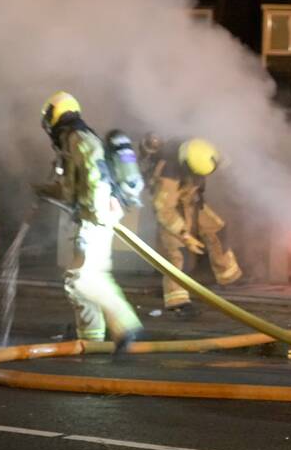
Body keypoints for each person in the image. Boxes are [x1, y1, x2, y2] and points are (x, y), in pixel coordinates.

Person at [35, 91, 143, 352]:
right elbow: (73, 188)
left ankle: (126, 323)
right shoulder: (70, 139)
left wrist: (96, 210)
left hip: (95, 217)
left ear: (53, 116)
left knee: (85, 278)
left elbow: (95, 170)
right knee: (78, 281)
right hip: (91, 215)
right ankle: (91, 340)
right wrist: (44, 190)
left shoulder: (78, 137)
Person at [148, 136, 242, 319]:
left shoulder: (201, 149)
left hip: (192, 201)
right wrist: (184, 234)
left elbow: (222, 160)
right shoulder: (169, 172)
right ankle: (177, 301)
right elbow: (163, 209)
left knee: (217, 229)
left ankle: (228, 276)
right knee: (177, 252)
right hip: (172, 209)